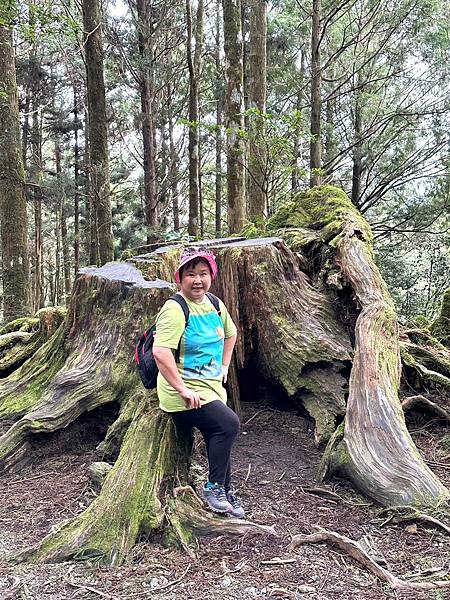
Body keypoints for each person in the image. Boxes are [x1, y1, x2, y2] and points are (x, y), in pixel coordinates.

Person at [152, 247, 245, 518]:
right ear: (180, 278)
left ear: (211, 276)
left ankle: (226, 491)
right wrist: (182, 388)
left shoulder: (215, 304)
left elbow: (231, 333)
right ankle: (215, 486)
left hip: (210, 387)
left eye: (203, 274)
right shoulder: (175, 308)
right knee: (228, 424)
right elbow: (160, 351)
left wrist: (225, 365)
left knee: (221, 433)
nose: (197, 280)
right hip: (180, 392)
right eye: (190, 274)